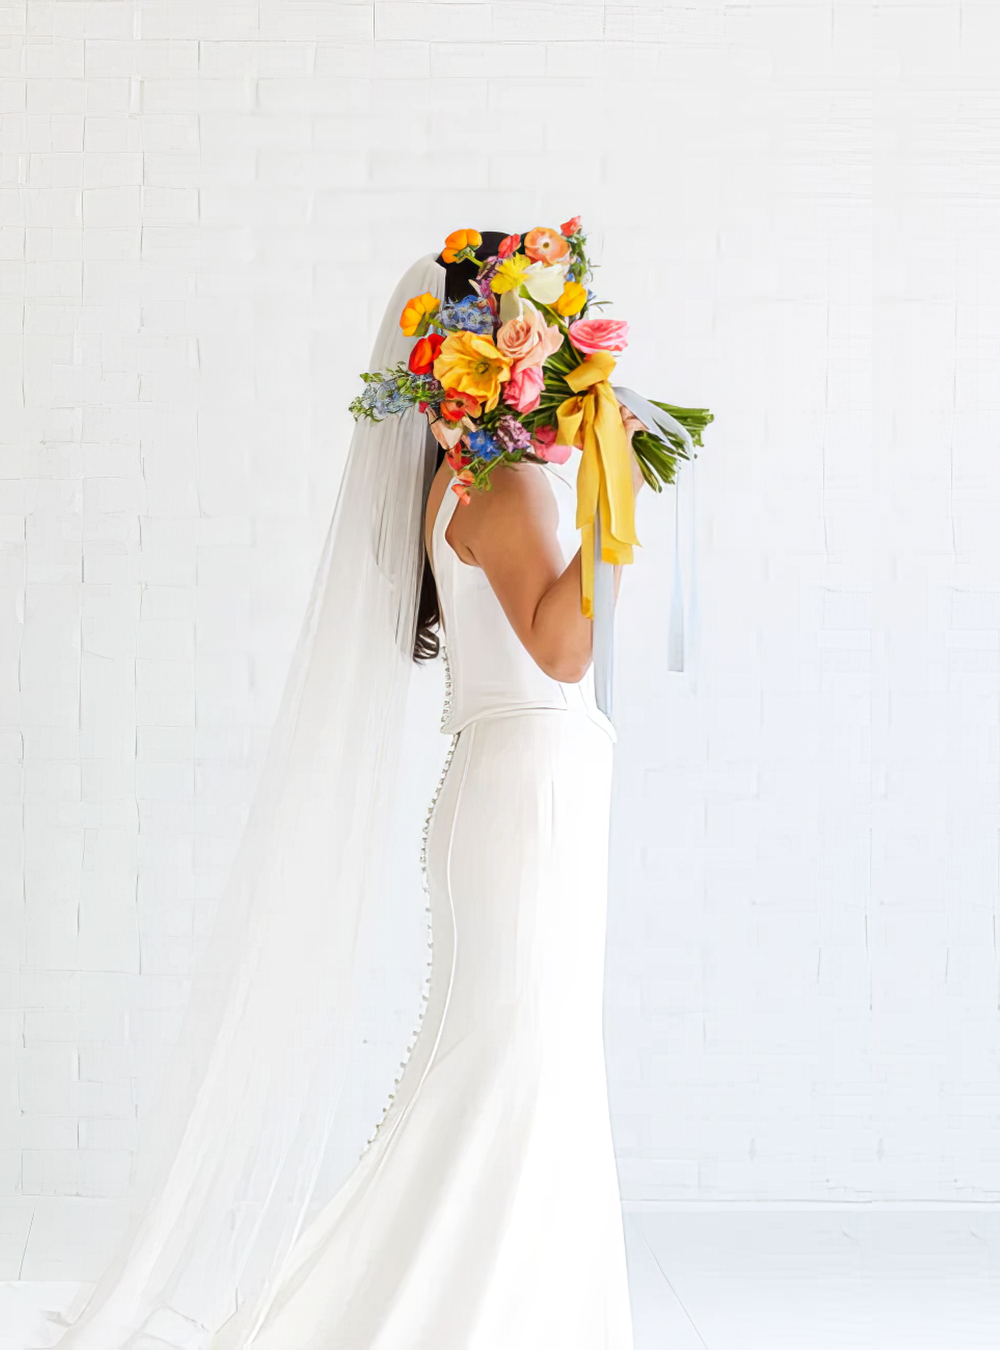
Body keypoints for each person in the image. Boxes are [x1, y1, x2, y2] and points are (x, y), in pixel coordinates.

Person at [47, 235, 646, 1350]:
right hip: (527, 793)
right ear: (498, 360)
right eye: (541, 337)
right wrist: (618, 494)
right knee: (519, 1062)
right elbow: (563, 648)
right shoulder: (507, 484)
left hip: (521, 789)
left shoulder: (477, 481)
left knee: (524, 1061)